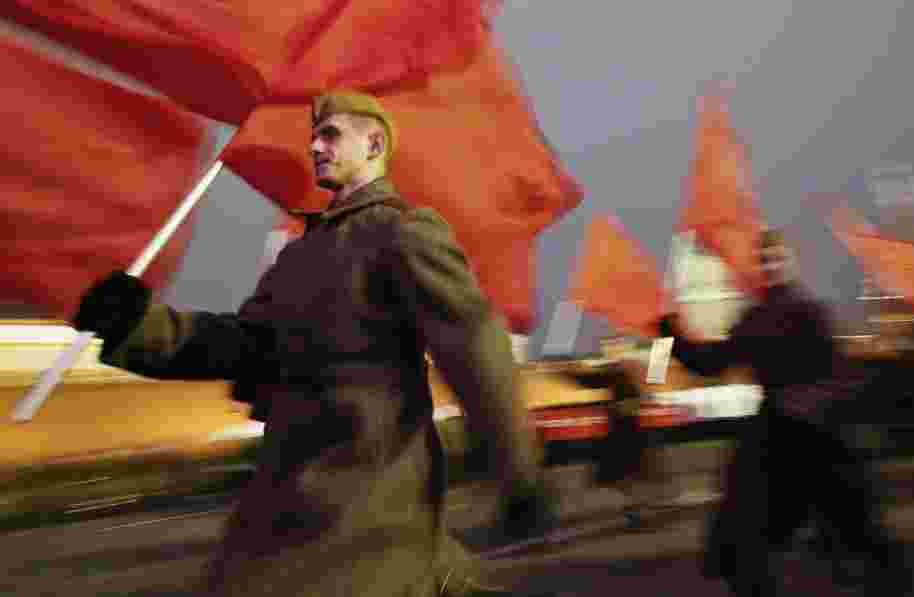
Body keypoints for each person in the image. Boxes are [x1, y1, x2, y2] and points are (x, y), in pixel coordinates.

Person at [72, 90, 556, 597]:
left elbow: (475, 348)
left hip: (365, 511)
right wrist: (137, 322)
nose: (314, 147)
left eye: (330, 134)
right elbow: (245, 344)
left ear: (373, 144)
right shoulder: (301, 254)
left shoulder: (403, 232)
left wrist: (519, 474)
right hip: (281, 501)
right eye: (313, 137)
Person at [659, 229, 904, 596]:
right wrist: (669, 331)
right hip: (800, 432)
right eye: (764, 259)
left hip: (797, 433)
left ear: (790, 263)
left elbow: (836, 370)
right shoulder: (771, 316)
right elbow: (711, 363)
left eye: (776, 258)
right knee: (831, 522)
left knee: (807, 523)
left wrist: (668, 331)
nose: (770, 265)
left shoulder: (792, 314)